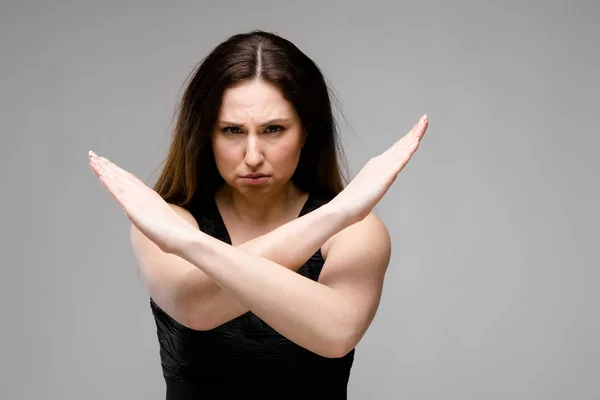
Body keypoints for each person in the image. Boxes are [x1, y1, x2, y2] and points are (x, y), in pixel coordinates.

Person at [88, 30, 428, 399]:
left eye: (273, 130)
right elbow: (194, 306)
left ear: (305, 133)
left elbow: (336, 333)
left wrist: (189, 246)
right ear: (207, 135)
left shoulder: (355, 233)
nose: (252, 155)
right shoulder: (169, 221)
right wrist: (338, 212)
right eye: (233, 130)